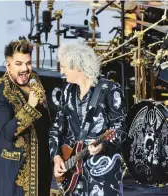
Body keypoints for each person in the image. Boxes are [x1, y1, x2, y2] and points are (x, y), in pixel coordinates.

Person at [49, 42, 127, 196]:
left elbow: (121, 128)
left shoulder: (110, 90)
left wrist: (103, 145)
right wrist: (56, 156)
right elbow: (57, 127)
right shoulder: (67, 91)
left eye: (64, 66)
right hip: (72, 171)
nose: (61, 70)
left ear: (77, 67)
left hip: (101, 172)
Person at [0, 37, 52, 196]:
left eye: (28, 63)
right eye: (19, 64)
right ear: (8, 65)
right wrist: (29, 107)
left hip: (41, 167)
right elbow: (6, 134)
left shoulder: (34, 79)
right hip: (14, 173)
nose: (25, 69)